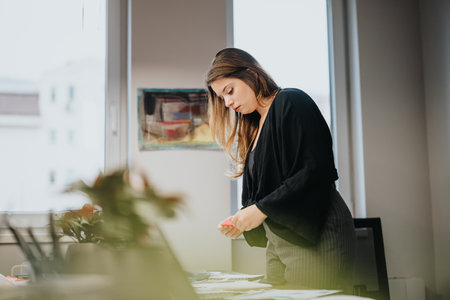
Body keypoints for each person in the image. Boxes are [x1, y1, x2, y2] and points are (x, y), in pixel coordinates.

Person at [206, 48, 356, 291]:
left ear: (252, 74)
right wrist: (243, 219)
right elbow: (269, 190)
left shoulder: (291, 101)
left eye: (230, 91)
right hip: (282, 236)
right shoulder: (255, 128)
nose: (228, 102)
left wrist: (260, 209)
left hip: (315, 228)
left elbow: (315, 169)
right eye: (222, 98)